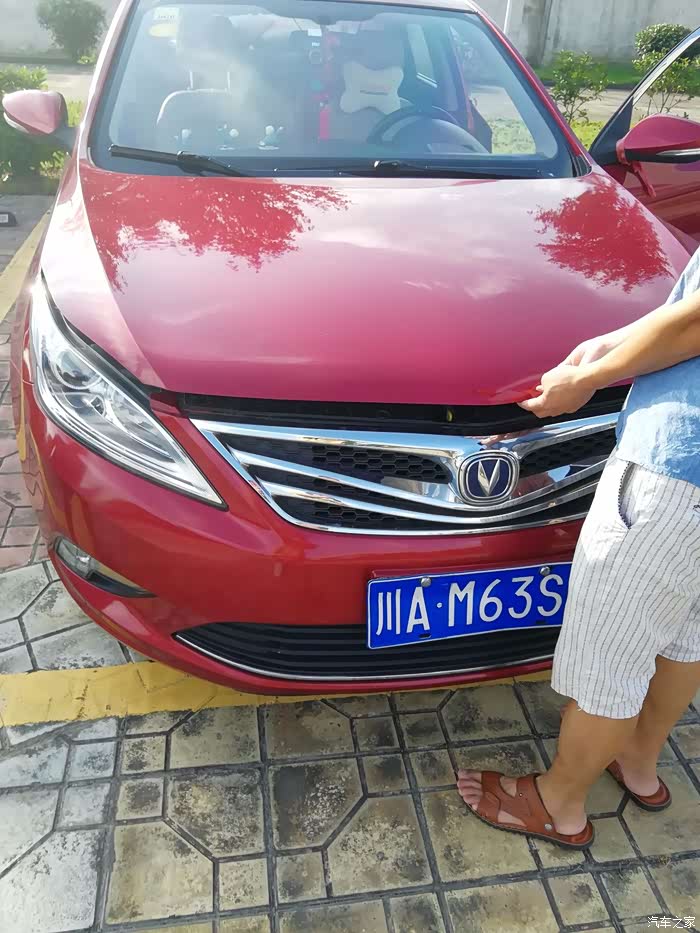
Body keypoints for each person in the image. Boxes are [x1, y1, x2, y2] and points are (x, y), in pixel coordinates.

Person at [457, 247, 700, 849]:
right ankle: (639, 761)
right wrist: (607, 345)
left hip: (676, 469)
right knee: (684, 634)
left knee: (609, 655)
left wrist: (589, 379)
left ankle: (558, 803)